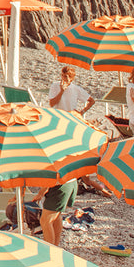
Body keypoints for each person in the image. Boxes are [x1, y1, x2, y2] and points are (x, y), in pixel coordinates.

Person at [49, 66, 109, 196]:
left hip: (72, 121)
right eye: (63, 76)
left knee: (71, 149)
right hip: (58, 120)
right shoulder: (55, 86)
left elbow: (91, 100)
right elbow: (52, 103)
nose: (65, 79)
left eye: (67, 77)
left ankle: (73, 178)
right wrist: (61, 91)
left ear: (72, 78)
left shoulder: (75, 89)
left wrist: (81, 112)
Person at [36, 179, 78, 246]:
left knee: (46, 220)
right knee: (56, 216)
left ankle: (49, 250)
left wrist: (41, 192)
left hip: (59, 186)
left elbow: (49, 175)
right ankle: (55, 248)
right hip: (70, 182)